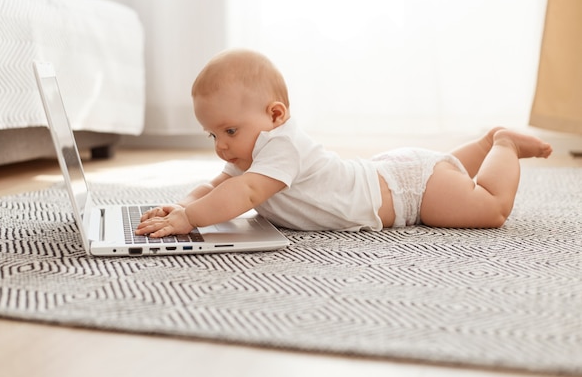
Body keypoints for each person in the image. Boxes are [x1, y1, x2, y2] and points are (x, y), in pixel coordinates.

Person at [135, 49, 553, 238]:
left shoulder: (282, 146)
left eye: (229, 131)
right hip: (391, 170)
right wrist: (183, 204)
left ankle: (501, 145)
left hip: (412, 192)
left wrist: (192, 219)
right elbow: (217, 186)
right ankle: (478, 145)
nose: (222, 147)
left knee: (488, 207)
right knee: (445, 168)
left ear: (276, 115)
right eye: (212, 135)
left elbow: (242, 193)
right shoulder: (249, 153)